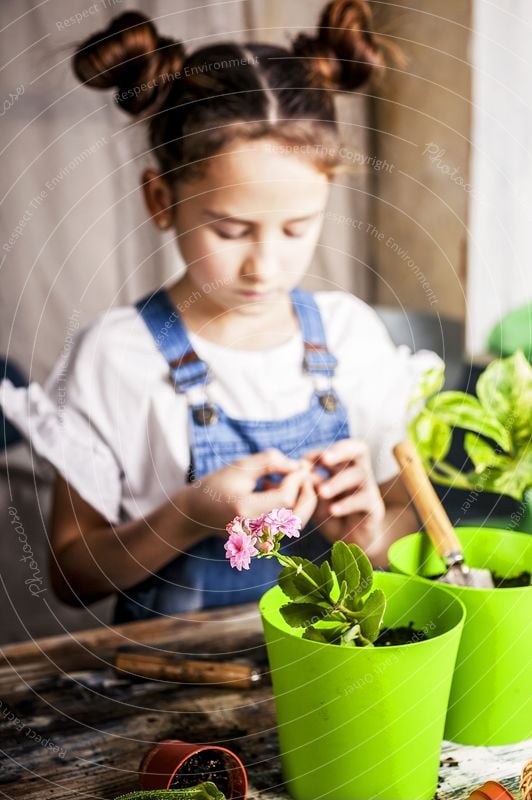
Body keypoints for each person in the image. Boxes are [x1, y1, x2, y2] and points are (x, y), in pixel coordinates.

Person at [0, 2, 437, 623]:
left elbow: (402, 528)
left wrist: (366, 531)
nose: (265, 264)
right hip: (170, 694)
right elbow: (72, 576)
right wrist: (186, 516)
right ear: (162, 199)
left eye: (296, 228)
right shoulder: (115, 357)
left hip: (328, 680)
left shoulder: (350, 337)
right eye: (231, 229)